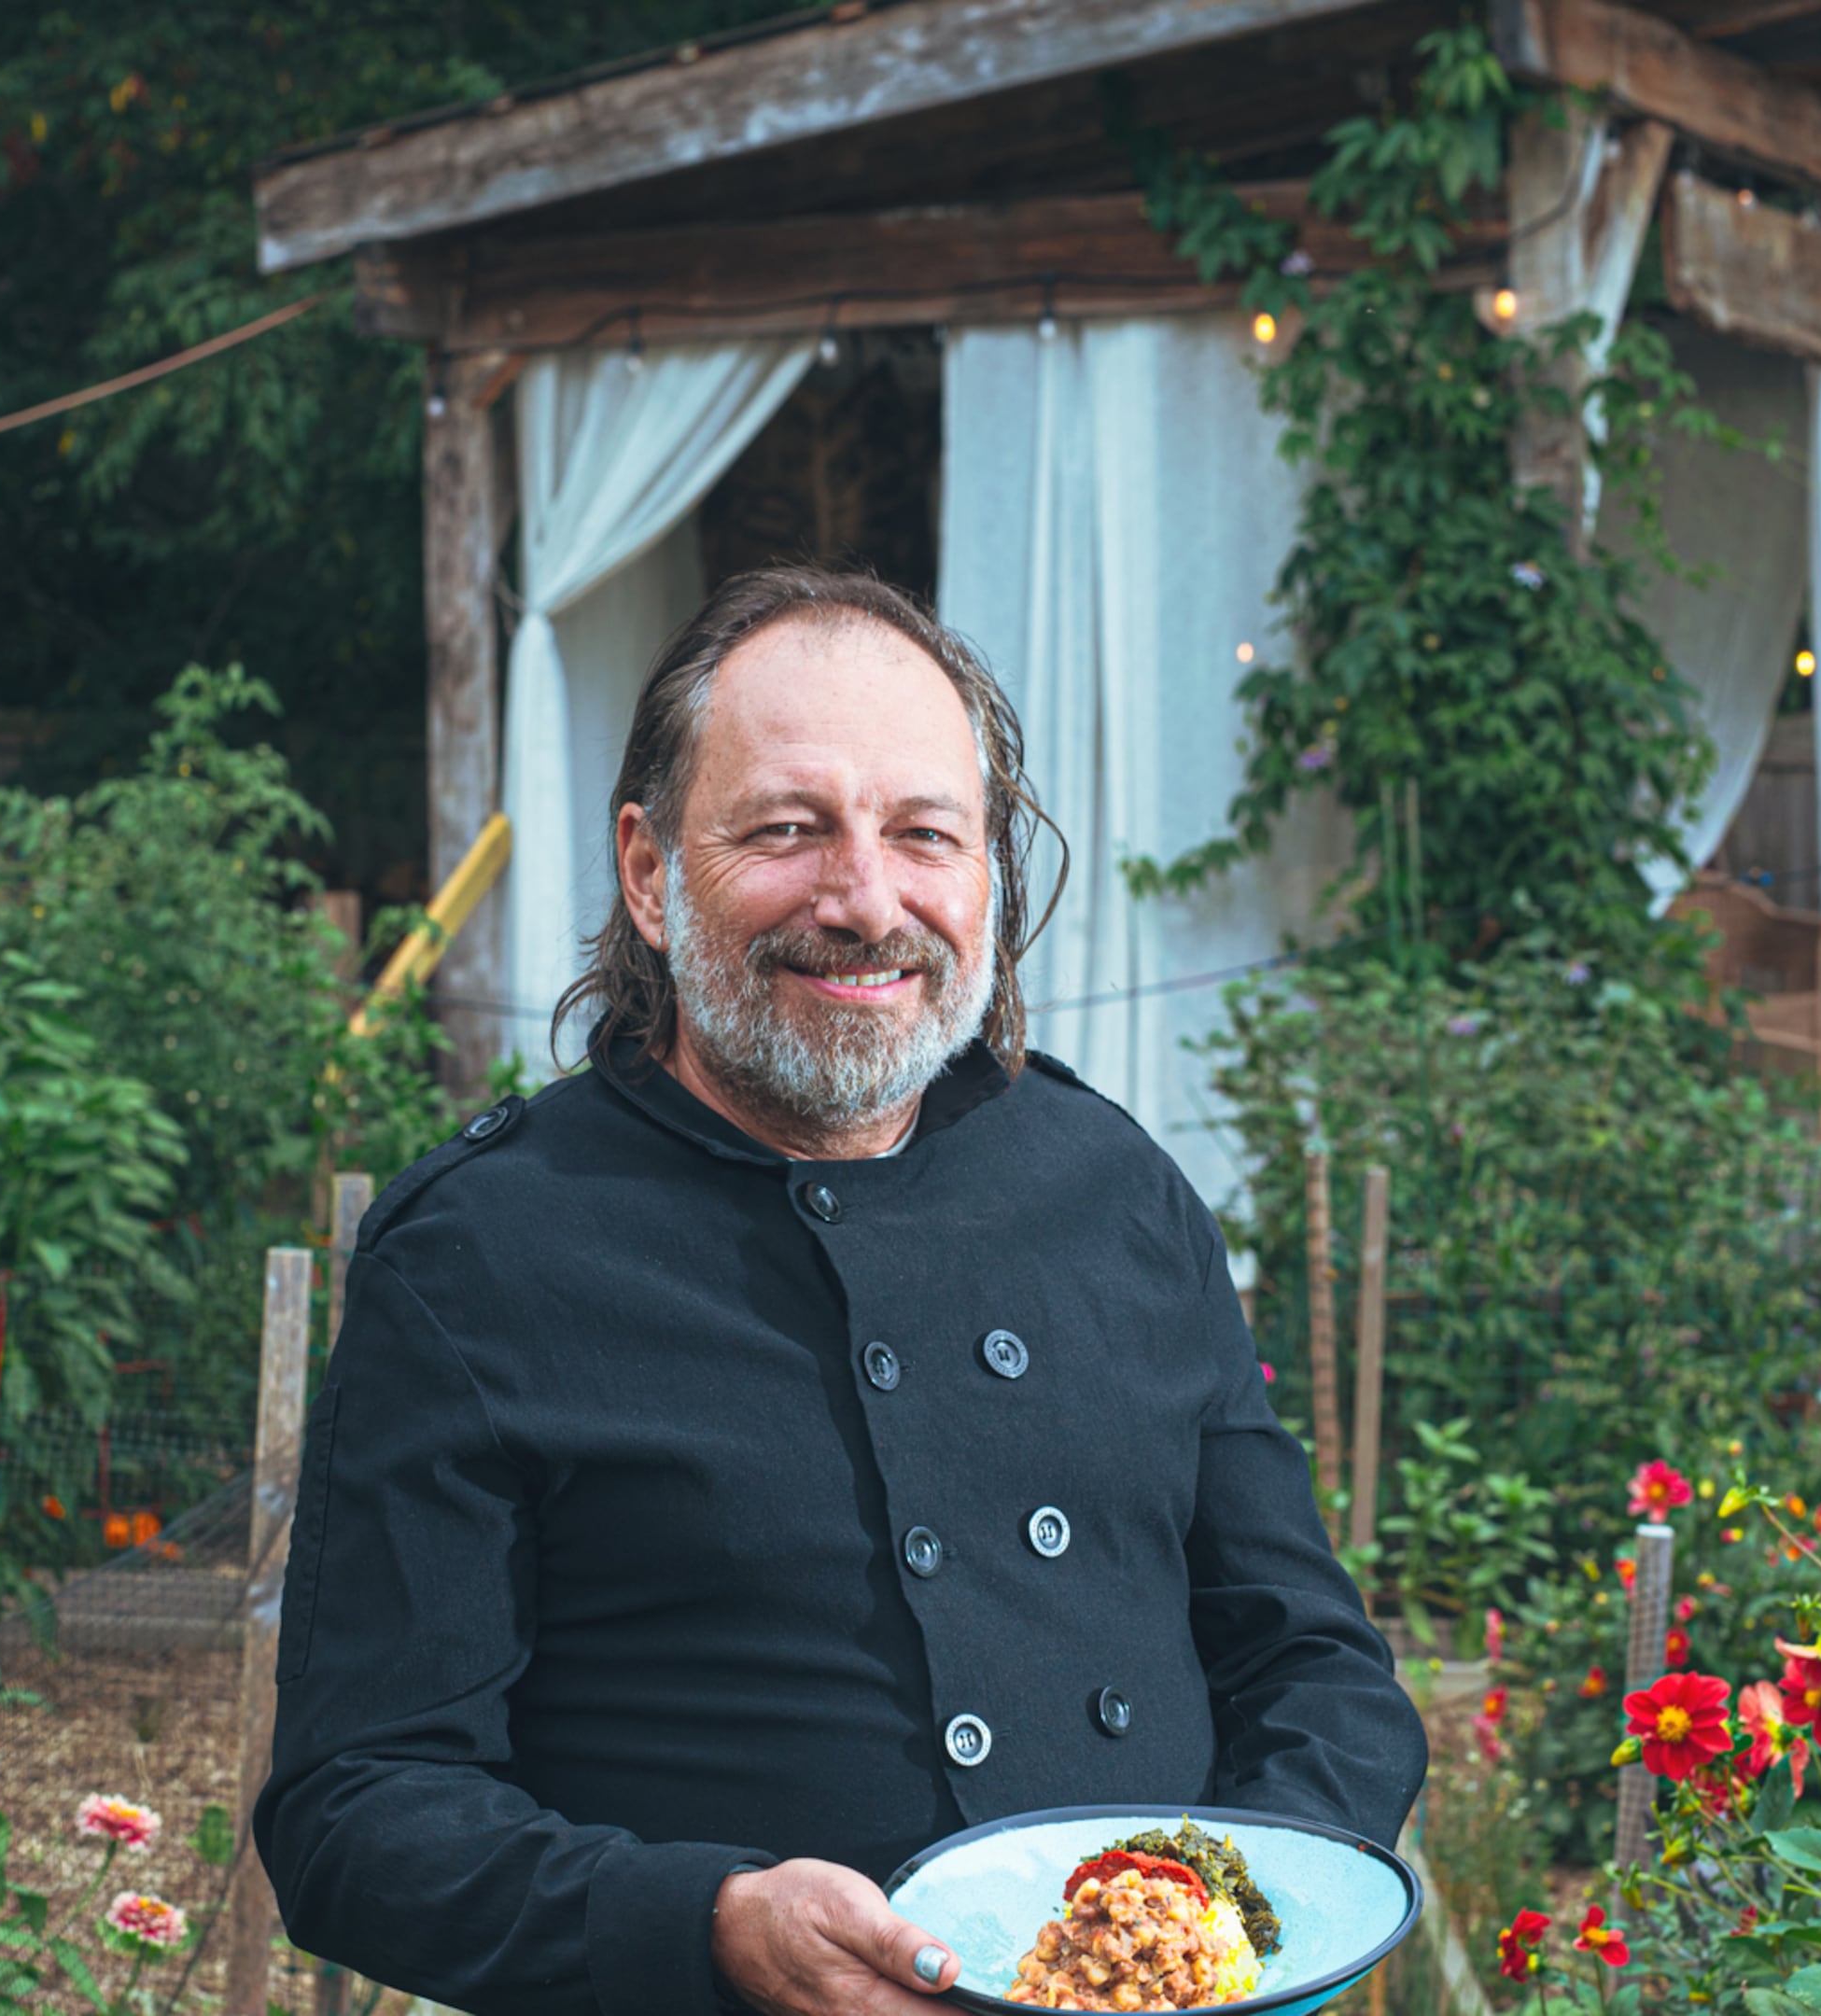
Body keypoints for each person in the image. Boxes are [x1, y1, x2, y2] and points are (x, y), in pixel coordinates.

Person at [255, 566, 1423, 2016]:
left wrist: (1242, 1934)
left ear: (985, 866)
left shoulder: (1116, 1191)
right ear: (648, 869)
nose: (867, 901)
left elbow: (1317, 1666)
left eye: (924, 833)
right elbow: (355, 1812)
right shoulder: (484, 1252)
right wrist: (709, 1925)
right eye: (788, 830)